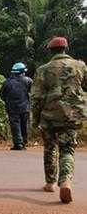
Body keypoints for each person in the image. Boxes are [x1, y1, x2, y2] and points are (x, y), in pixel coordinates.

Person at [31, 36, 87, 204]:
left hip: (49, 115)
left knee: (50, 148)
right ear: (66, 49)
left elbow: (36, 97)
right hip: (72, 115)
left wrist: (35, 119)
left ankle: (50, 183)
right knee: (67, 149)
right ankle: (66, 182)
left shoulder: (43, 70)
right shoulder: (80, 66)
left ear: (50, 51)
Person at [0, 62, 32, 150]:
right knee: (24, 125)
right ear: (22, 72)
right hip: (25, 107)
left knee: (15, 126)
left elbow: (2, 94)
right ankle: (23, 143)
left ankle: (18, 144)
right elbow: (32, 92)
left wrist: (8, 101)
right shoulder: (28, 81)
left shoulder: (7, 82)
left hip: (12, 108)